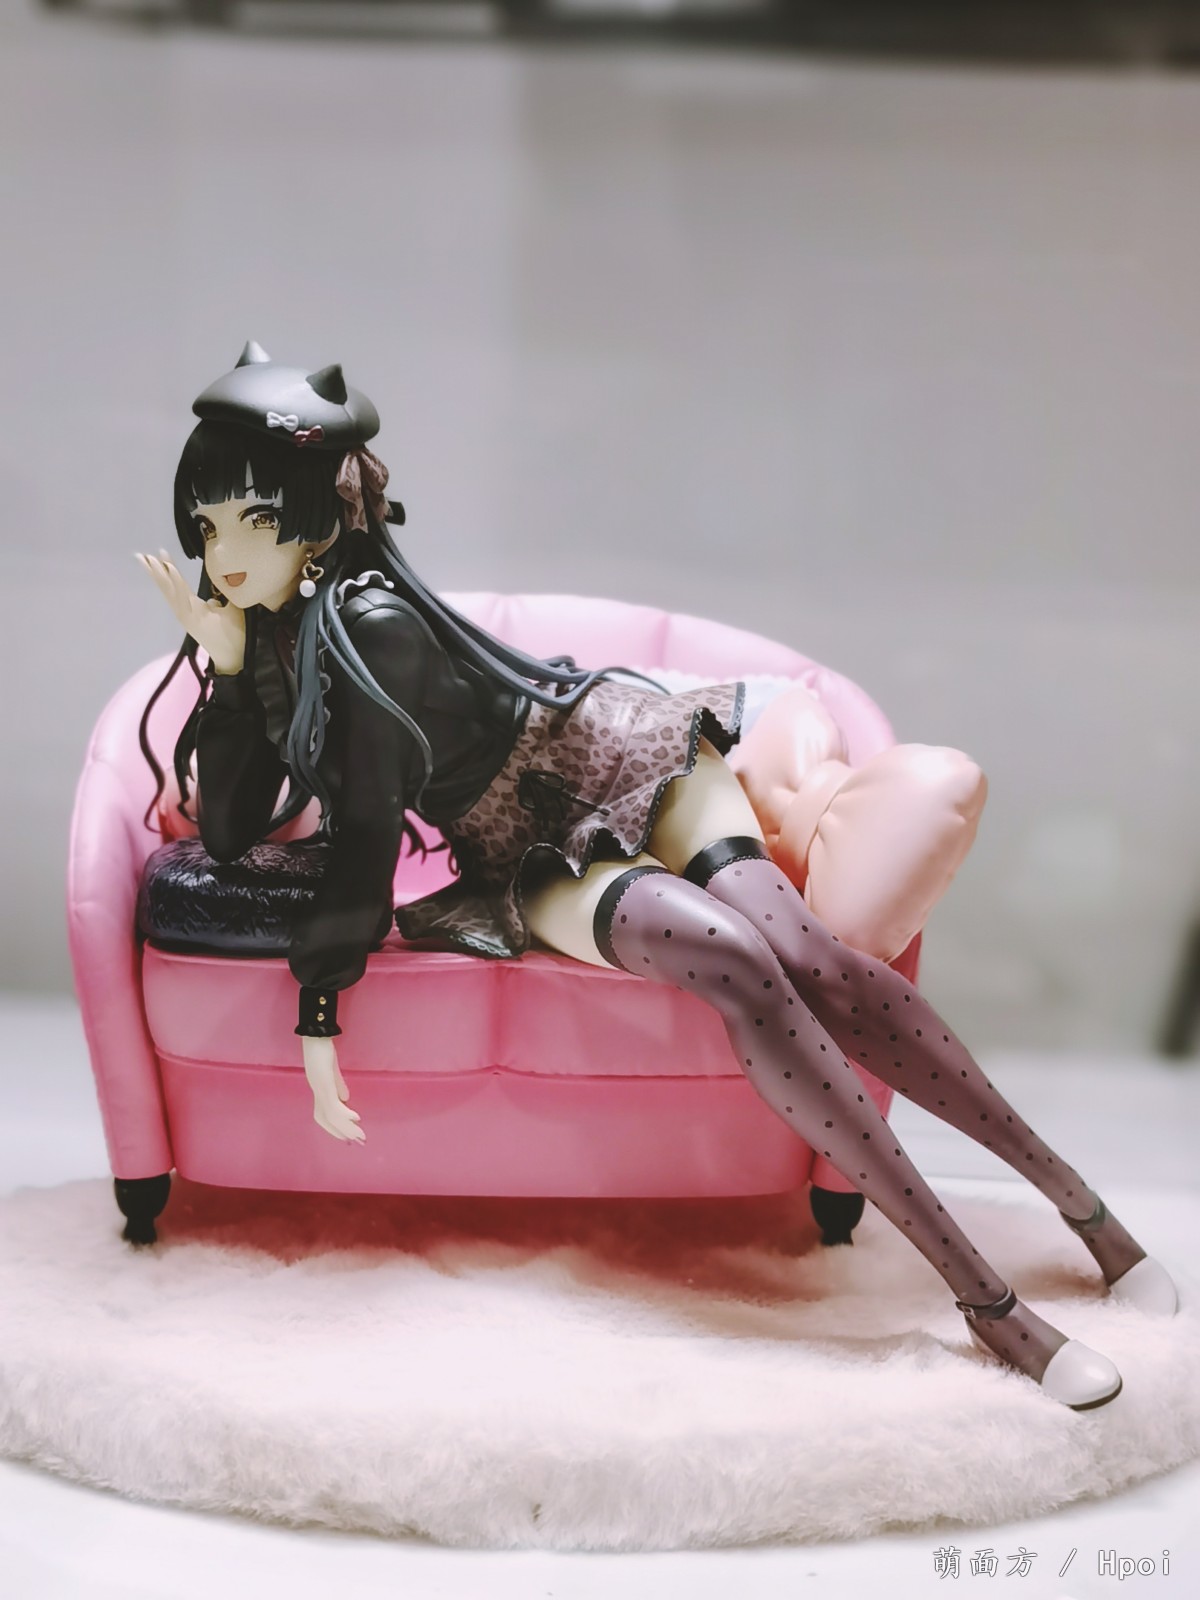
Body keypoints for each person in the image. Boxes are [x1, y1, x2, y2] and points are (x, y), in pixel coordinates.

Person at [137, 342, 1178, 1412]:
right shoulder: (279, 641)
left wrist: (318, 1009)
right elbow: (228, 831)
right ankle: (987, 1300)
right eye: (206, 527)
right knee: (734, 960)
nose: (223, 553)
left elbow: (362, 841)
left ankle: (1082, 1208)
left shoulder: (373, 628)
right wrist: (226, 665)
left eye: (252, 520)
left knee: (804, 951)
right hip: (526, 850)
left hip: (611, 744)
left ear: (317, 516)